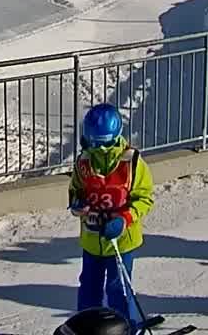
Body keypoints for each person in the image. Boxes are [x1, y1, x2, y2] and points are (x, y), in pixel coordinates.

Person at [68, 103, 154, 327]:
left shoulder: (132, 163)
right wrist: (77, 204)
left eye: (101, 144)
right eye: (92, 143)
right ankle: (86, 328)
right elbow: (76, 189)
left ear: (114, 138)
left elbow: (145, 198)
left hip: (121, 240)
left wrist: (124, 219)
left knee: (118, 288)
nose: (96, 149)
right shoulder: (83, 162)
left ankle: (125, 326)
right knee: (89, 287)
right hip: (92, 239)